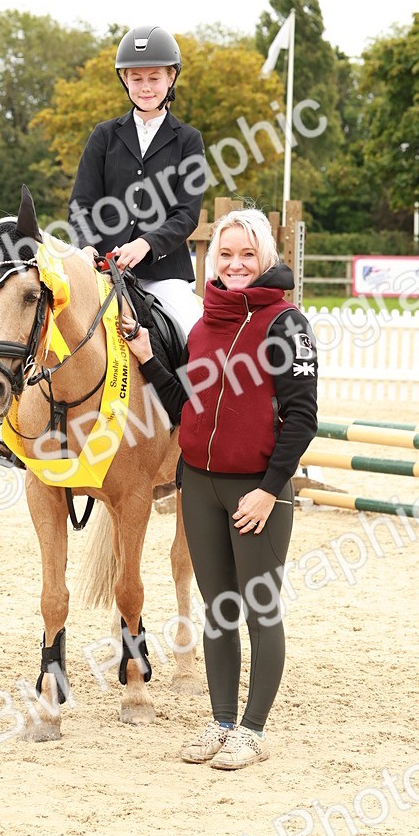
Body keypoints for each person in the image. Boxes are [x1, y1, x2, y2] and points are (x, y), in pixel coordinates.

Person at [122, 208, 319, 770]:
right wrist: (146, 357)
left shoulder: (286, 324)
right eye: (226, 255)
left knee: (260, 608)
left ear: (265, 259)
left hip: (256, 491)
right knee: (218, 611)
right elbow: (186, 404)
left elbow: (303, 417)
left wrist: (270, 489)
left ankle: (252, 732)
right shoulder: (205, 324)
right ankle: (222, 722)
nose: (236, 265)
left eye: (247, 255)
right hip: (199, 487)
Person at [68, 25, 205, 334]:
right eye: (137, 79)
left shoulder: (188, 141)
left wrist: (146, 244)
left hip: (164, 274)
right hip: (102, 269)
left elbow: (186, 214)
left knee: (193, 333)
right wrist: (87, 245)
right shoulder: (104, 135)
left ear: (171, 78)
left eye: (154, 78)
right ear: (125, 80)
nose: (145, 87)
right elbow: (81, 204)